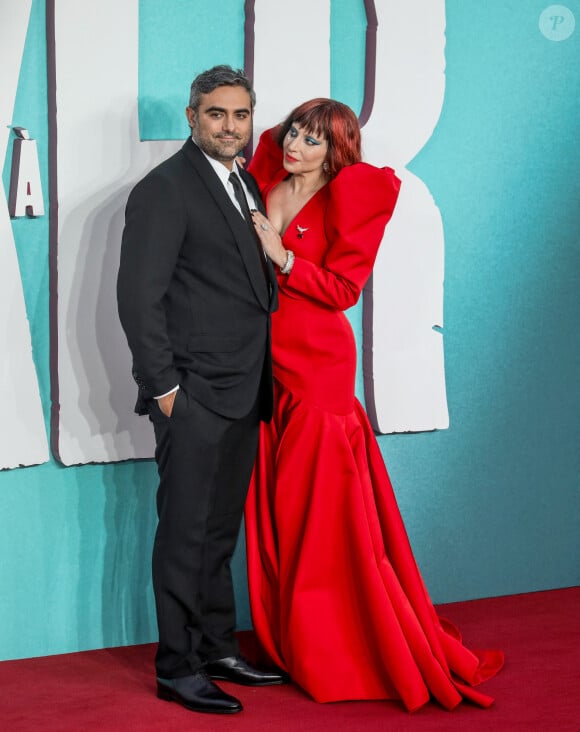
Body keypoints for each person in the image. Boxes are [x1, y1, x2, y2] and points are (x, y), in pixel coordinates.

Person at [244, 98, 504, 712]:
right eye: (293, 132)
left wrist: (282, 257)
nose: (296, 145)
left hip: (317, 373)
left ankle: (332, 649)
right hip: (265, 369)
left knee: (323, 520)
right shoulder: (265, 183)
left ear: (335, 151)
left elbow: (342, 290)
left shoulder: (348, 197)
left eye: (312, 139)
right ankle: (289, 637)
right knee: (280, 512)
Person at [117, 65, 286, 716]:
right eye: (216, 114)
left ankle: (217, 646)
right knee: (186, 533)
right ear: (191, 117)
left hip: (243, 387)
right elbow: (139, 298)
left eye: (240, 115)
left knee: (218, 532)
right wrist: (163, 389)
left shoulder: (242, 179)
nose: (230, 126)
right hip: (192, 393)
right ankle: (177, 667)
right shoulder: (166, 190)